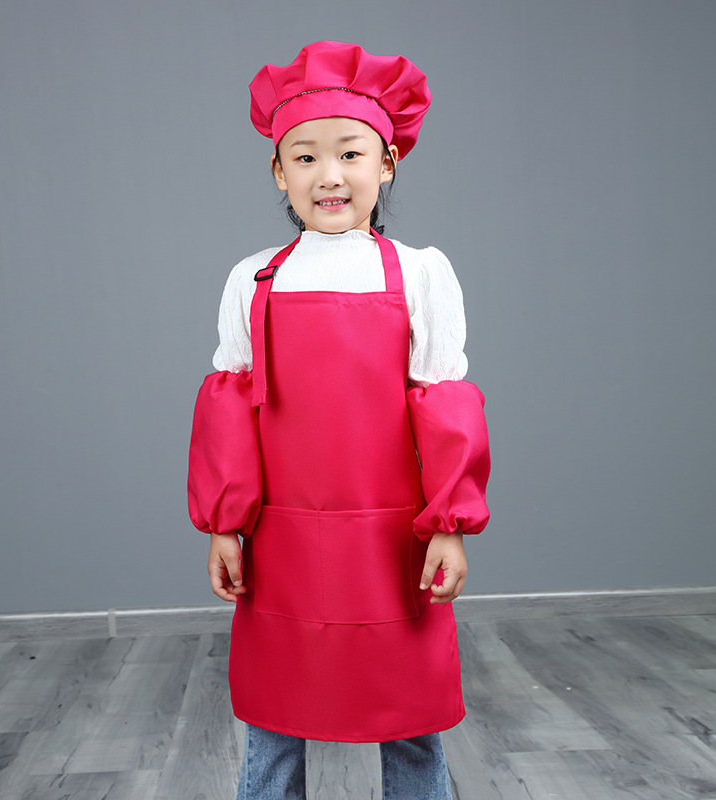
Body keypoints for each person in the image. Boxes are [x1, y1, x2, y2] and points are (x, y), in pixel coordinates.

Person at [188, 41, 491, 800]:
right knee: (274, 716)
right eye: (306, 157)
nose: (329, 175)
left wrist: (449, 524)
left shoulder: (419, 271)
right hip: (281, 539)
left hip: (395, 540)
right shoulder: (253, 278)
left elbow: (445, 405)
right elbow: (229, 413)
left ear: (387, 163)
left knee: (410, 717)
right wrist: (225, 525)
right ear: (278, 172)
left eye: (350, 153)